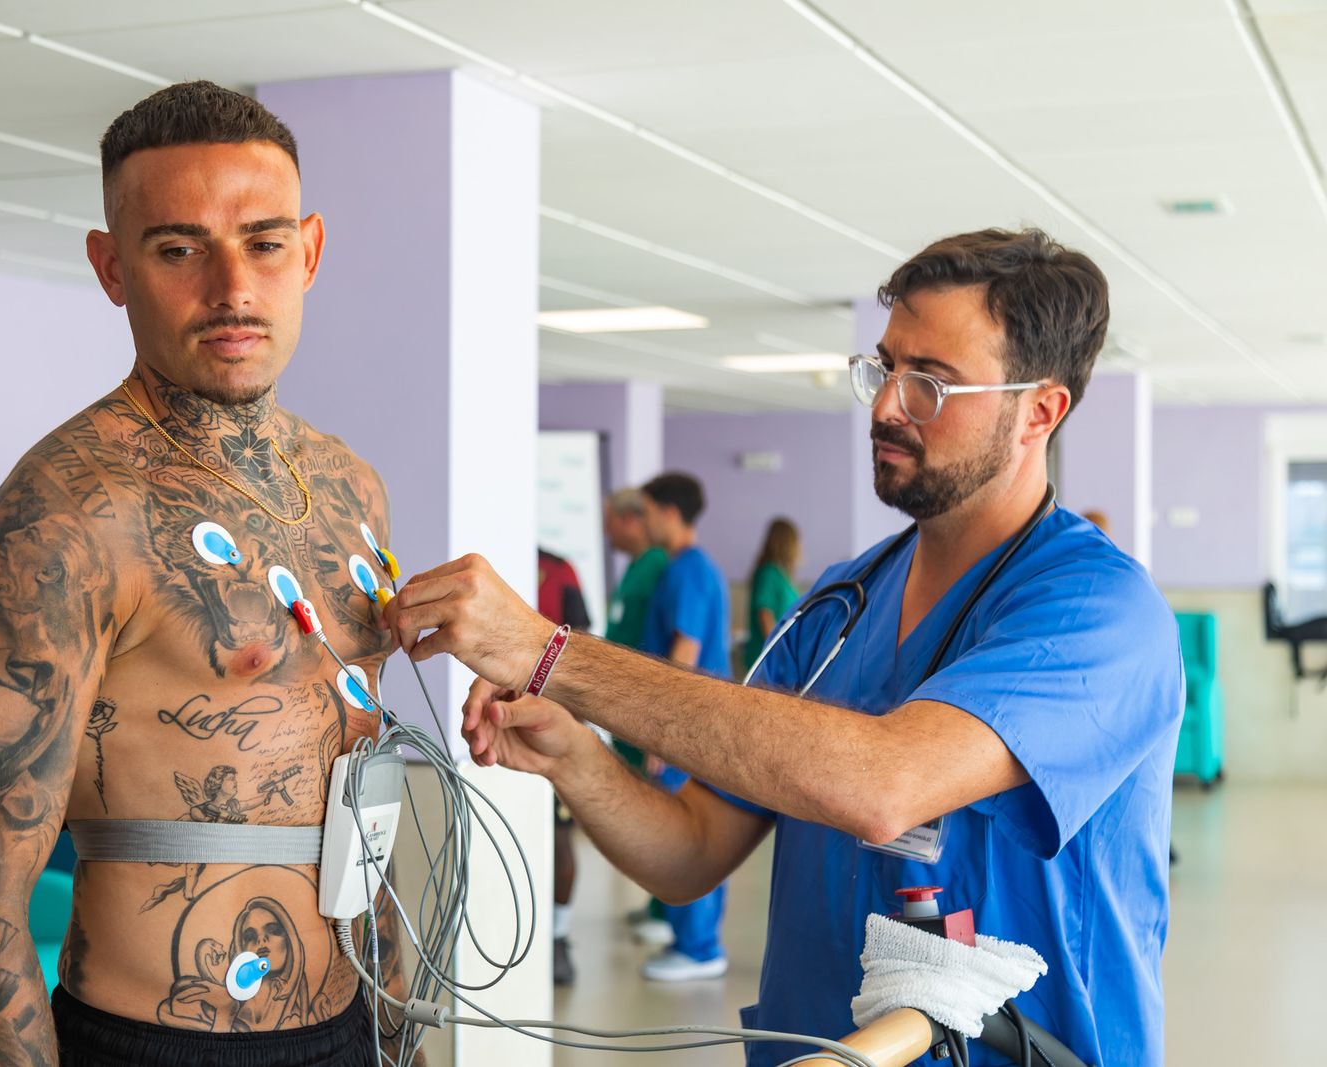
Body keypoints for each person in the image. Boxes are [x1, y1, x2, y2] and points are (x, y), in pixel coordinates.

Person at [383, 228, 1182, 1066]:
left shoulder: (1100, 613)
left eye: (931, 384)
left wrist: (553, 654)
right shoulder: (841, 603)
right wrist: (578, 759)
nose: (885, 407)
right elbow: (691, 850)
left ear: (1040, 411)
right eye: (884, 369)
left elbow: (885, 783)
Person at [0, 81, 417, 1067]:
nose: (232, 287)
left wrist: (399, 1036)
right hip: (152, 1039)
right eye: (179, 248)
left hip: (347, 1027)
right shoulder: (68, 512)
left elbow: (361, 798)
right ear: (112, 266)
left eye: (265, 243)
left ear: (309, 251)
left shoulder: (351, 486)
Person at [633, 471, 733, 982]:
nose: (641, 522)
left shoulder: (688, 572)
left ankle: (699, 947)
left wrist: (662, 731)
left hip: (691, 727)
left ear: (669, 513)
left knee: (691, 833)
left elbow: (686, 652)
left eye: (646, 511)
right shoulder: (689, 568)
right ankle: (685, 933)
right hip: (698, 722)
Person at [602, 487, 672, 945]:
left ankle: (670, 912)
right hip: (624, 709)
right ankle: (655, 903)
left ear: (630, 520)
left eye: (610, 521)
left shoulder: (661, 569)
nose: (606, 531)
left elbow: (667, 650)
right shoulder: (637, 569)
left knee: (661, 813)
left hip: (644, 710)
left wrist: (657, 730)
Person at [536, 547, 593, 985]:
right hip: (495, 727)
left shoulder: (559, 570)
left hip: (553, 725)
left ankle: (557, 938)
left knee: (559, 839)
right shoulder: (495, 554)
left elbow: (584, 644)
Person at [744, 517, 802, 671]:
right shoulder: (769, 573)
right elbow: (764, 614)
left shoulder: (780, 575)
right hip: (768, 661)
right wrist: (780, 653)